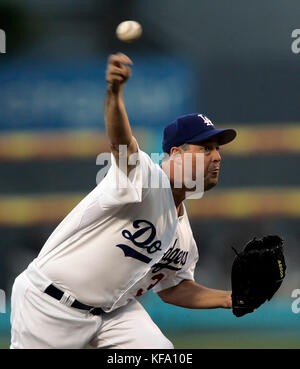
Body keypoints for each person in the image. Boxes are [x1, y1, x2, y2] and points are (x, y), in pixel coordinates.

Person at [10, 53, 237, 349]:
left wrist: (230, 299)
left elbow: (175, 288)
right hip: (50, 304)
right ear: (177, 155)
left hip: (114, 313)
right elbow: (121, 142)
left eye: (217, 149)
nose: (217, 156)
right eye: (206, 148)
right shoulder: (143, 177)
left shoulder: (181, 234)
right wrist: (114, 93)